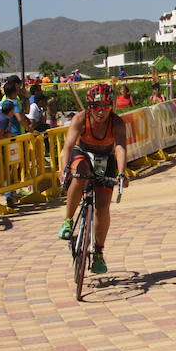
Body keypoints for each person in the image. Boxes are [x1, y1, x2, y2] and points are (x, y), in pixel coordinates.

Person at [57, 84, 129, 275]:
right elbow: (68, 146)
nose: (100, 111)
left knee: (103, 207)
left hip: (106, 158)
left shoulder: (117, 123)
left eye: (105, 106)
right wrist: (63, 169)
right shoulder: (80, 119)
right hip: (82, 153)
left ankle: (98, 252)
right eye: (96, 106)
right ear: (89, 107)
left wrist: (122, 173)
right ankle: (67, 220)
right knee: (79, 174)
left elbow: (120, 147)